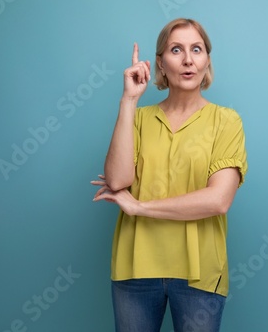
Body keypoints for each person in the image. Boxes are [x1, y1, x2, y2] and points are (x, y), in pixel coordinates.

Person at [91, 18, 247, 332]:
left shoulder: (226, 121)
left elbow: (218, 200)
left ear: (206, 61)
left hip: (200, 273)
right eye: (176, 50)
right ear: (160, 63)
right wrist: (129, 100)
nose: (188, 59)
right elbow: (118, 180)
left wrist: (140, 207)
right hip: (135, 268)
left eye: (197, 49)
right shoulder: (139, 118)